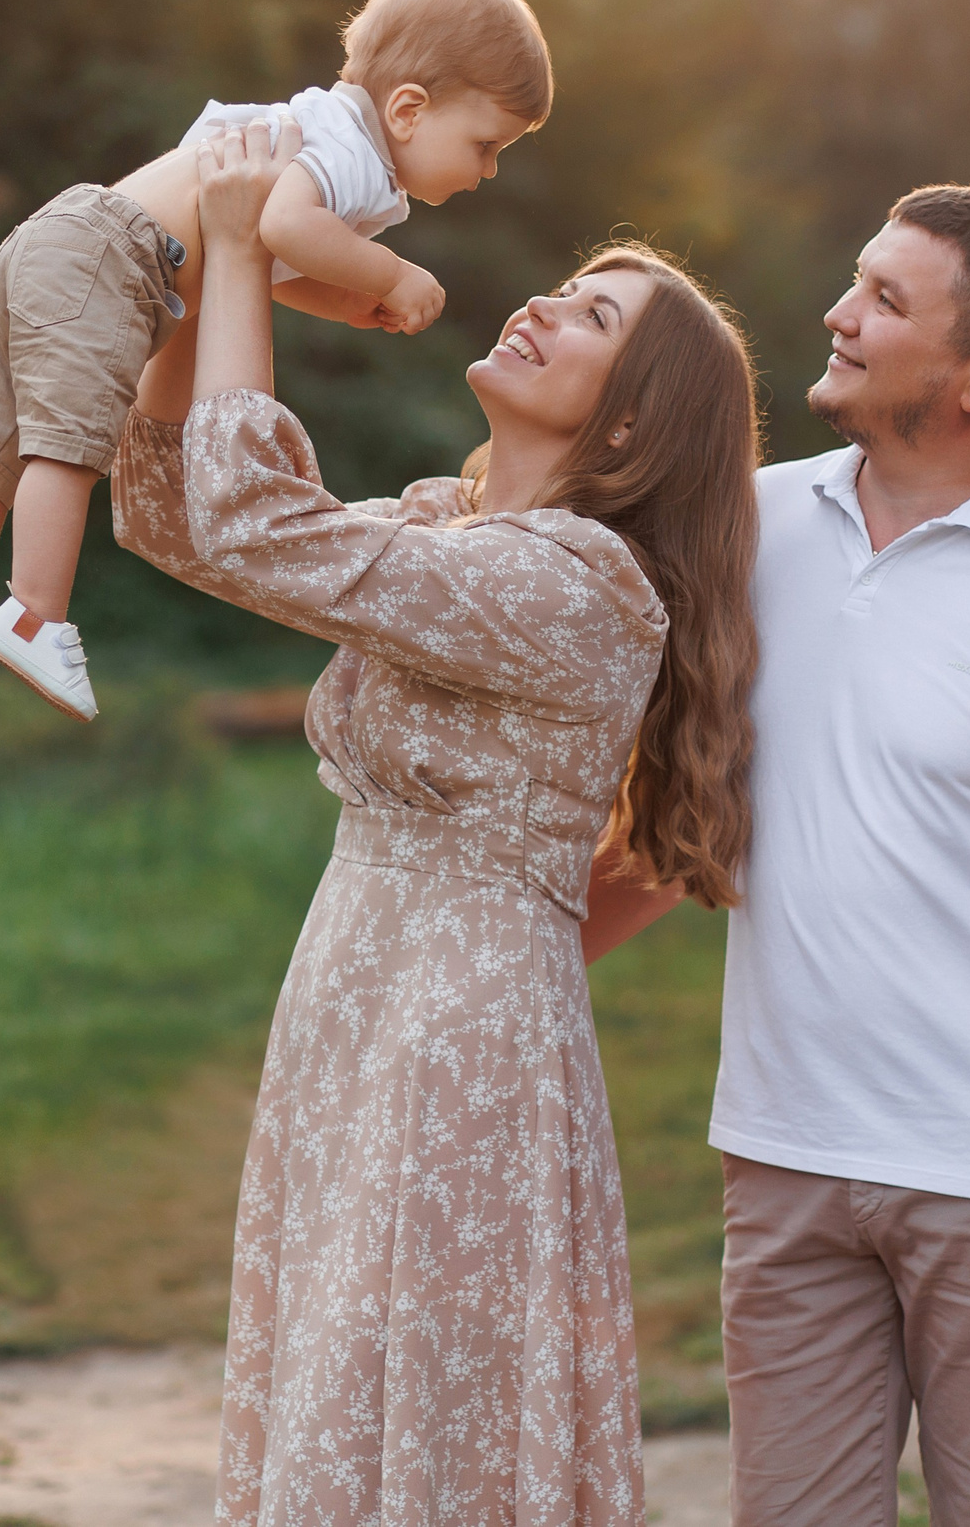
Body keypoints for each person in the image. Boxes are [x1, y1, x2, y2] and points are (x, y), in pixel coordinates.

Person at [114, 120, 762, 1526]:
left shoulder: (582, 586)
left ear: (635, 424)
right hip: (355, 994)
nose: (539, 302)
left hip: (463, 1037)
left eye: (593, 316)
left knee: (415, 1401)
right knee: (341, 1384)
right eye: (568, 283)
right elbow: (176, 516)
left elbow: (250, 522)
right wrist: (184, 279)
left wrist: (240, 254)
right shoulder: (450, 529)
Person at [585, 186, 970, 1526]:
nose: (837, 315)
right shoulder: (744, 524)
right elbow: (685, 809)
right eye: (859, 283)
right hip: (784, 1150)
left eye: (885, 300)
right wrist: (513, 947)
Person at [0, 0, 549, 722]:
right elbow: (283, 228)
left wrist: (344, 301)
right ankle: (36, 613)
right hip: (122, 259)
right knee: (65, 443)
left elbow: (267, 259)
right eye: (486, 144)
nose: (489, 170)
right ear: (408, 109)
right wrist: (392, 275)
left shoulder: (311, 129)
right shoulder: (353, 157)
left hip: (61, 236)